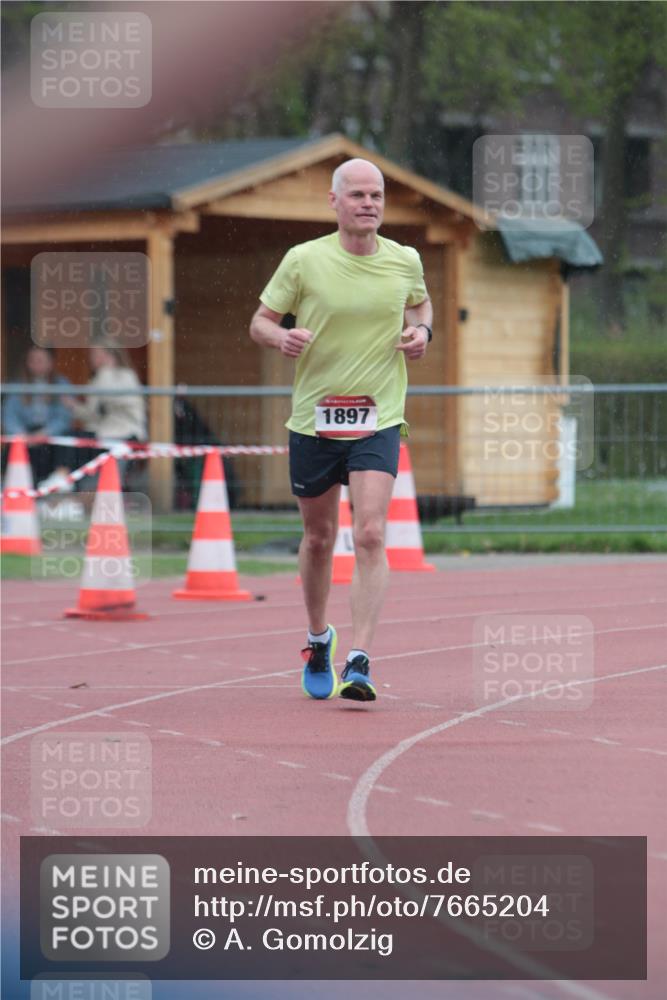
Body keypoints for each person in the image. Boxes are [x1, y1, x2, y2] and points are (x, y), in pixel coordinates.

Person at [250, 158, 432, 703]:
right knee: (319, 537)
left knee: (371, 532)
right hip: (315, 419)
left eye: (376, 195)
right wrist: (279, 338)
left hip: (379, 417)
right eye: (357, 194)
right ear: (334, 201)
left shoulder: (405, 259)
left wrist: (422, 331)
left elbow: (420, 303)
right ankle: (317, 639)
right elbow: (260, 322)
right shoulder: (303, 260)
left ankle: (360, 659)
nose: (368, 204)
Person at [64, 342, 147, 488]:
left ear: (111, 355)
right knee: (72, 441)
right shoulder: (106, 377)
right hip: (109, 433)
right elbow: (96, 413)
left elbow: (95, 410)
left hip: (123, 434)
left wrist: (73, 406)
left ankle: (67, 480)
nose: (94, 358)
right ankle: (68, 481)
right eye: (93, 354)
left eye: (98, 354)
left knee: (74, 443)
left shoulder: (119, 375)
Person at [1, 345, 74, 487]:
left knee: (67, 439)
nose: (36, 364)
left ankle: (59, 481)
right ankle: (16, 486)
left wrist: (45, 433)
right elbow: (9, 415)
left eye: (40, 360)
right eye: (32, 360)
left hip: (51, 436)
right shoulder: (17, 385)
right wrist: (21, 434)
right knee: (13, 448)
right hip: (26, 435)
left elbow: (64, 417)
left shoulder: (61, 384)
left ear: (50, 362)